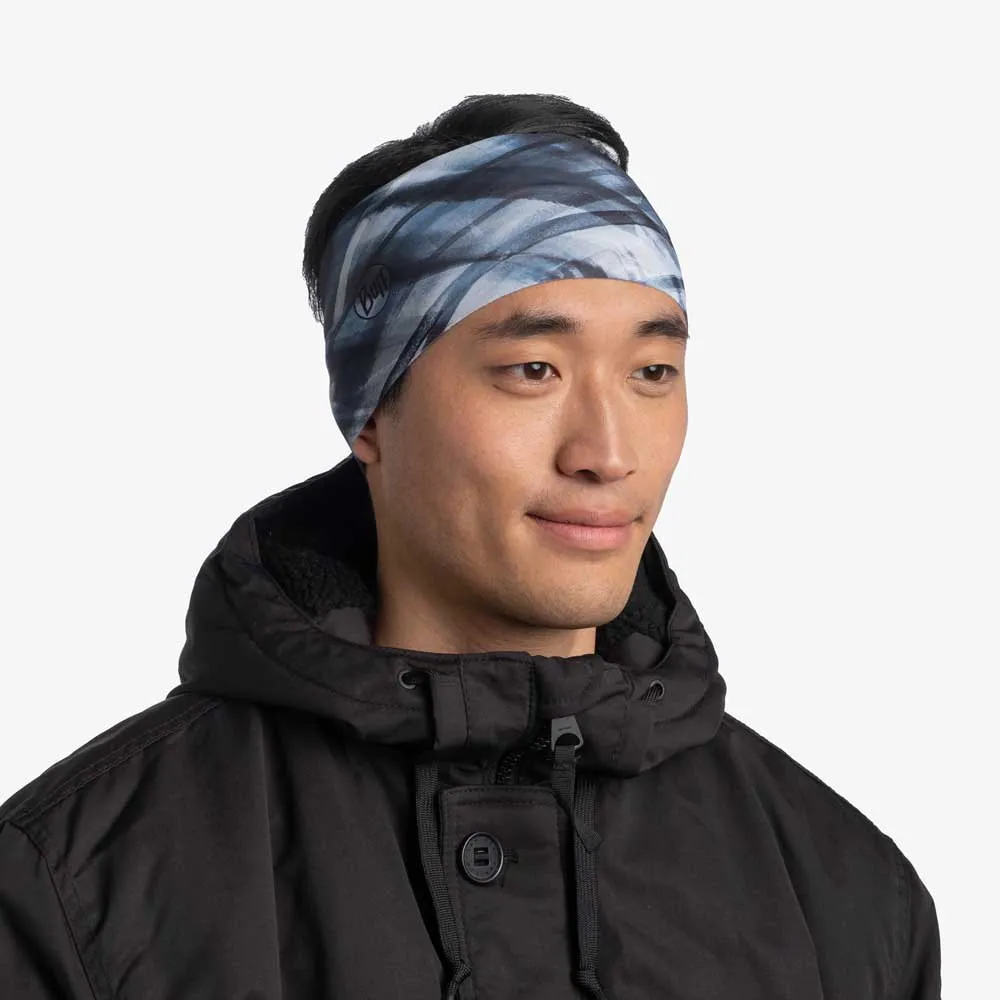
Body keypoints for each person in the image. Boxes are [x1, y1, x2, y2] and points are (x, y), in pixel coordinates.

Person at [0, 93, 940, 999]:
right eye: (533, 370)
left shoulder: (847, 897)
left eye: (653, 371)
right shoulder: (77, 888)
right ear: (372, 411)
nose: (609, 454)